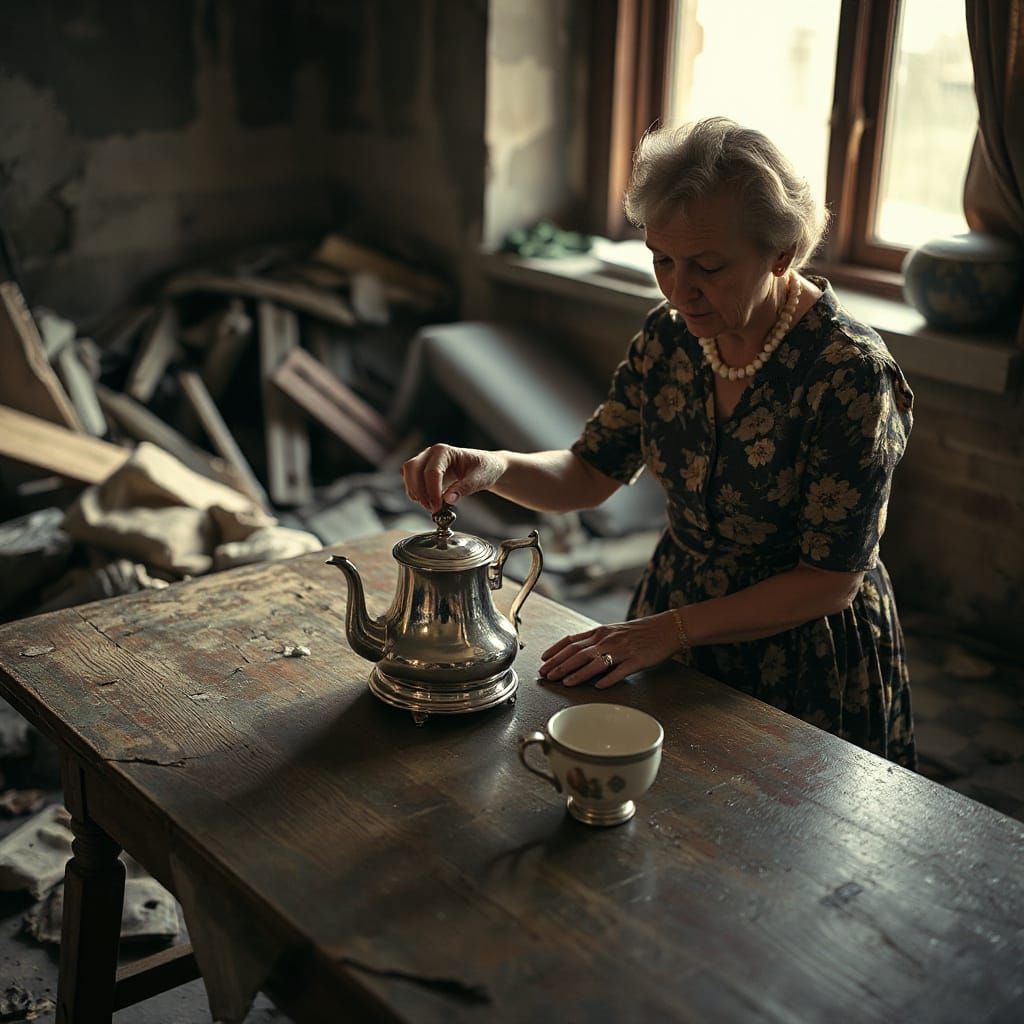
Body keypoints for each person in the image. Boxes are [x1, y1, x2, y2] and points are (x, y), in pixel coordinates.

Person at [402, 117, 916, 768]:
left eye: (707, 266)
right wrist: (492, 466)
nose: (678, 289)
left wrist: (667, 631)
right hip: (670, 619)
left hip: (800, 652)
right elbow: (588, 473)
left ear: (782, 253)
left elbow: (830, 581)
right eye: (662, 260)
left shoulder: (848, 374)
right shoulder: (672, 336)